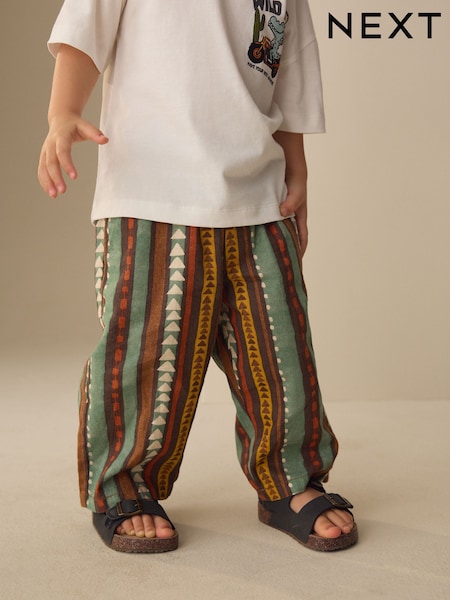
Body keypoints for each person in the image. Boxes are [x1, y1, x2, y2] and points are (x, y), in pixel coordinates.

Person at [38, 0, 357, 554]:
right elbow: (85, 29)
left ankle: (290, 479)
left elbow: (288, 72)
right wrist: (62, 113)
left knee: (281, 353)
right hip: (151, 192)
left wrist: (297, 168)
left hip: (259, 194)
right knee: (145, 356)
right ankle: (124, 485)